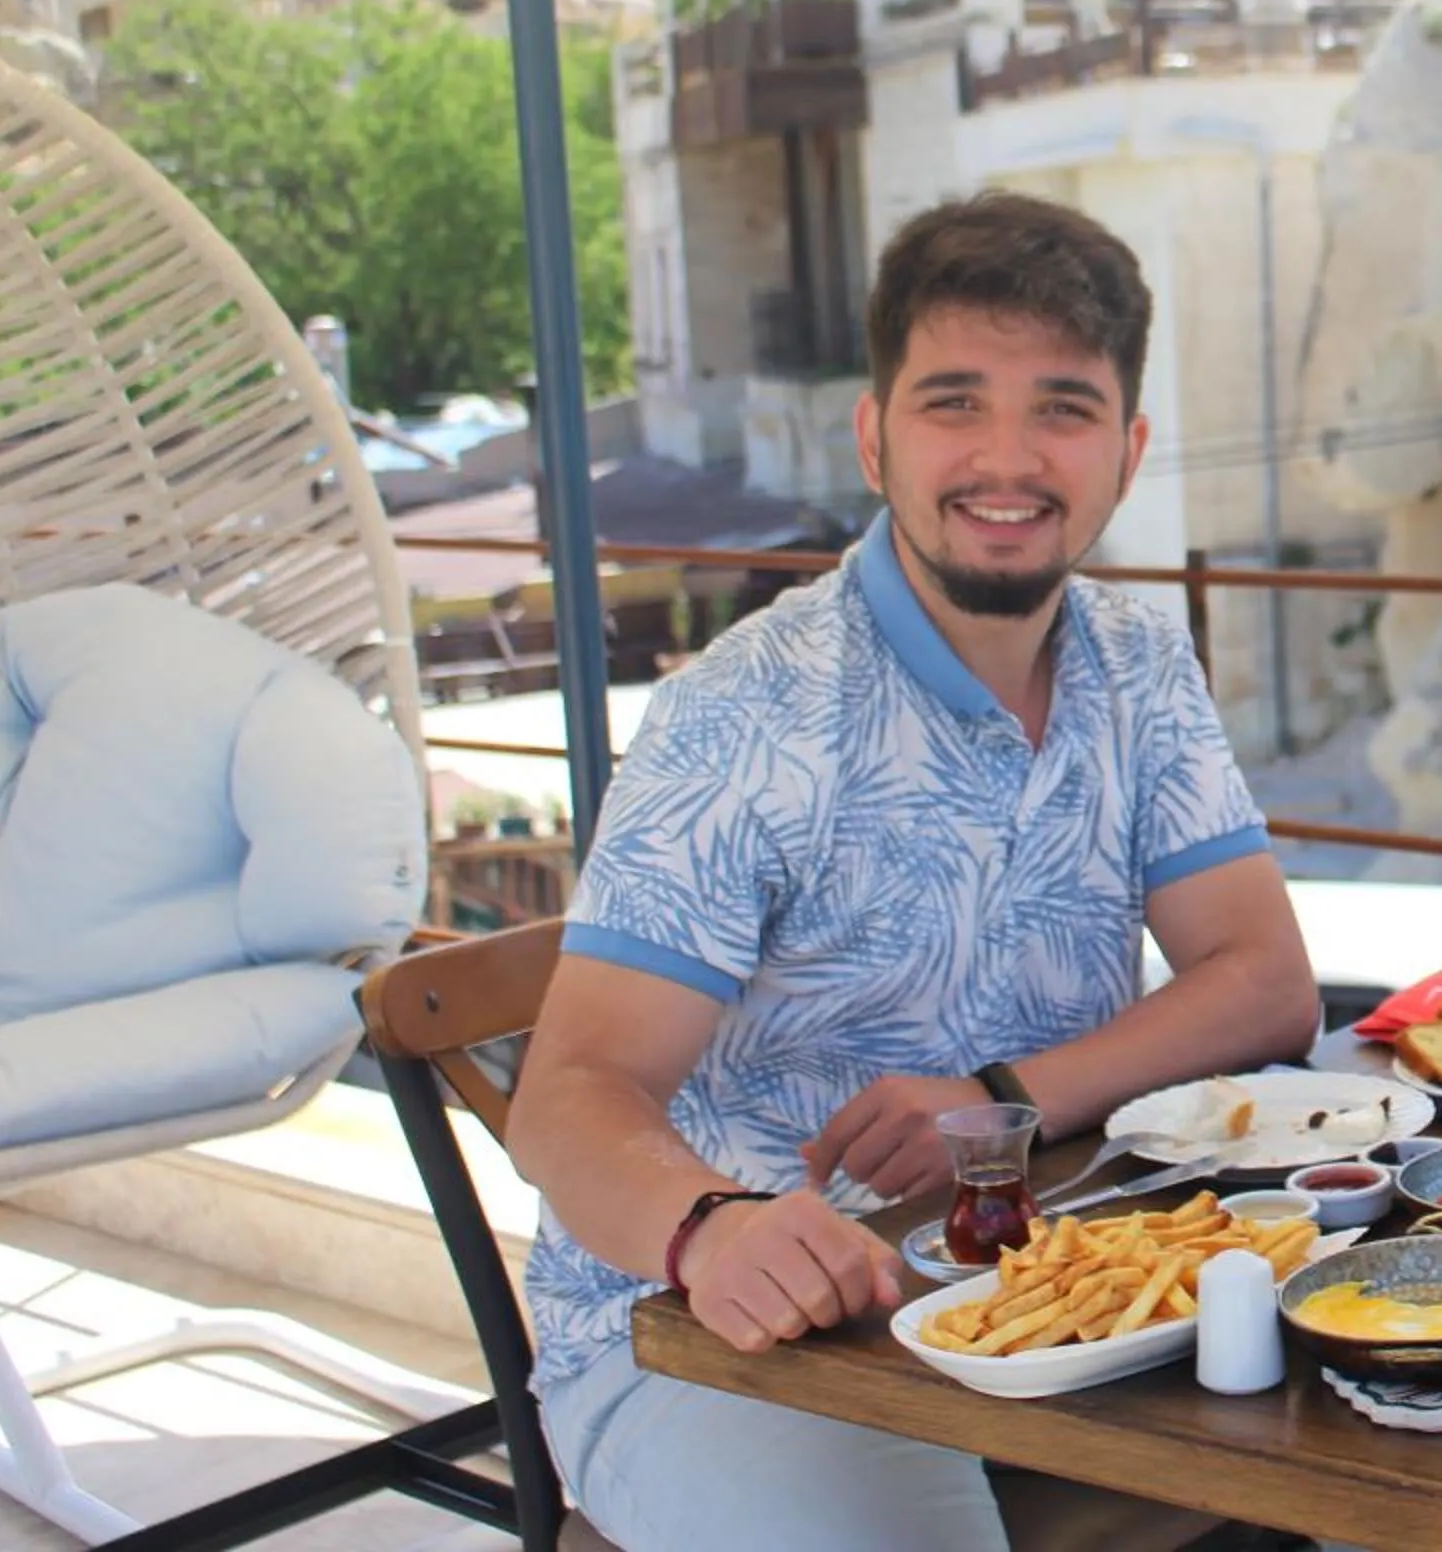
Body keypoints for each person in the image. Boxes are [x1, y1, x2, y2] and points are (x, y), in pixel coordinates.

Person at [507, 191, 1322, 1551]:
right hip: (728, 1336)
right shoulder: (743, 715)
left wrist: (998, 1099)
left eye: (1062, 409)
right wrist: (713, 1229)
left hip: (1056, 1281)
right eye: (956, 403)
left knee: (1426, 1397)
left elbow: (1266, 983)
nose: (1008, 457)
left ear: (1125, 454)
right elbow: (572, 1090)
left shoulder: (1136, 659)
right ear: (876, 440)